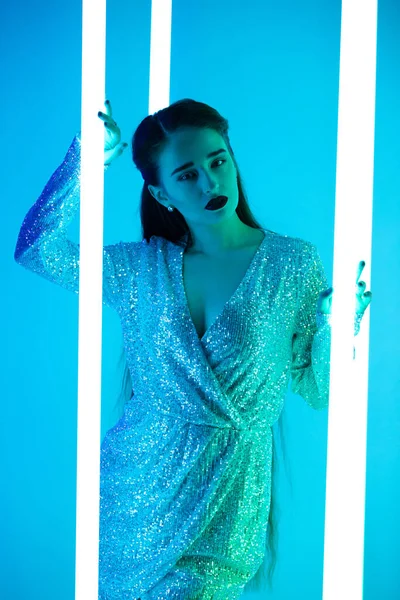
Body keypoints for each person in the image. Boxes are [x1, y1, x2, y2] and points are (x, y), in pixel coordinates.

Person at [14, 98, 365, 599]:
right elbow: (37, 248)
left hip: (229, 496)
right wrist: (84, 164)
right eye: (186, 174)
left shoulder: (292, 263)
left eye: (218, 161)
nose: (209, 182)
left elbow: (319, 387)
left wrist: (336, 324)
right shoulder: (139, 268)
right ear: (161, 192)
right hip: (137, 492)